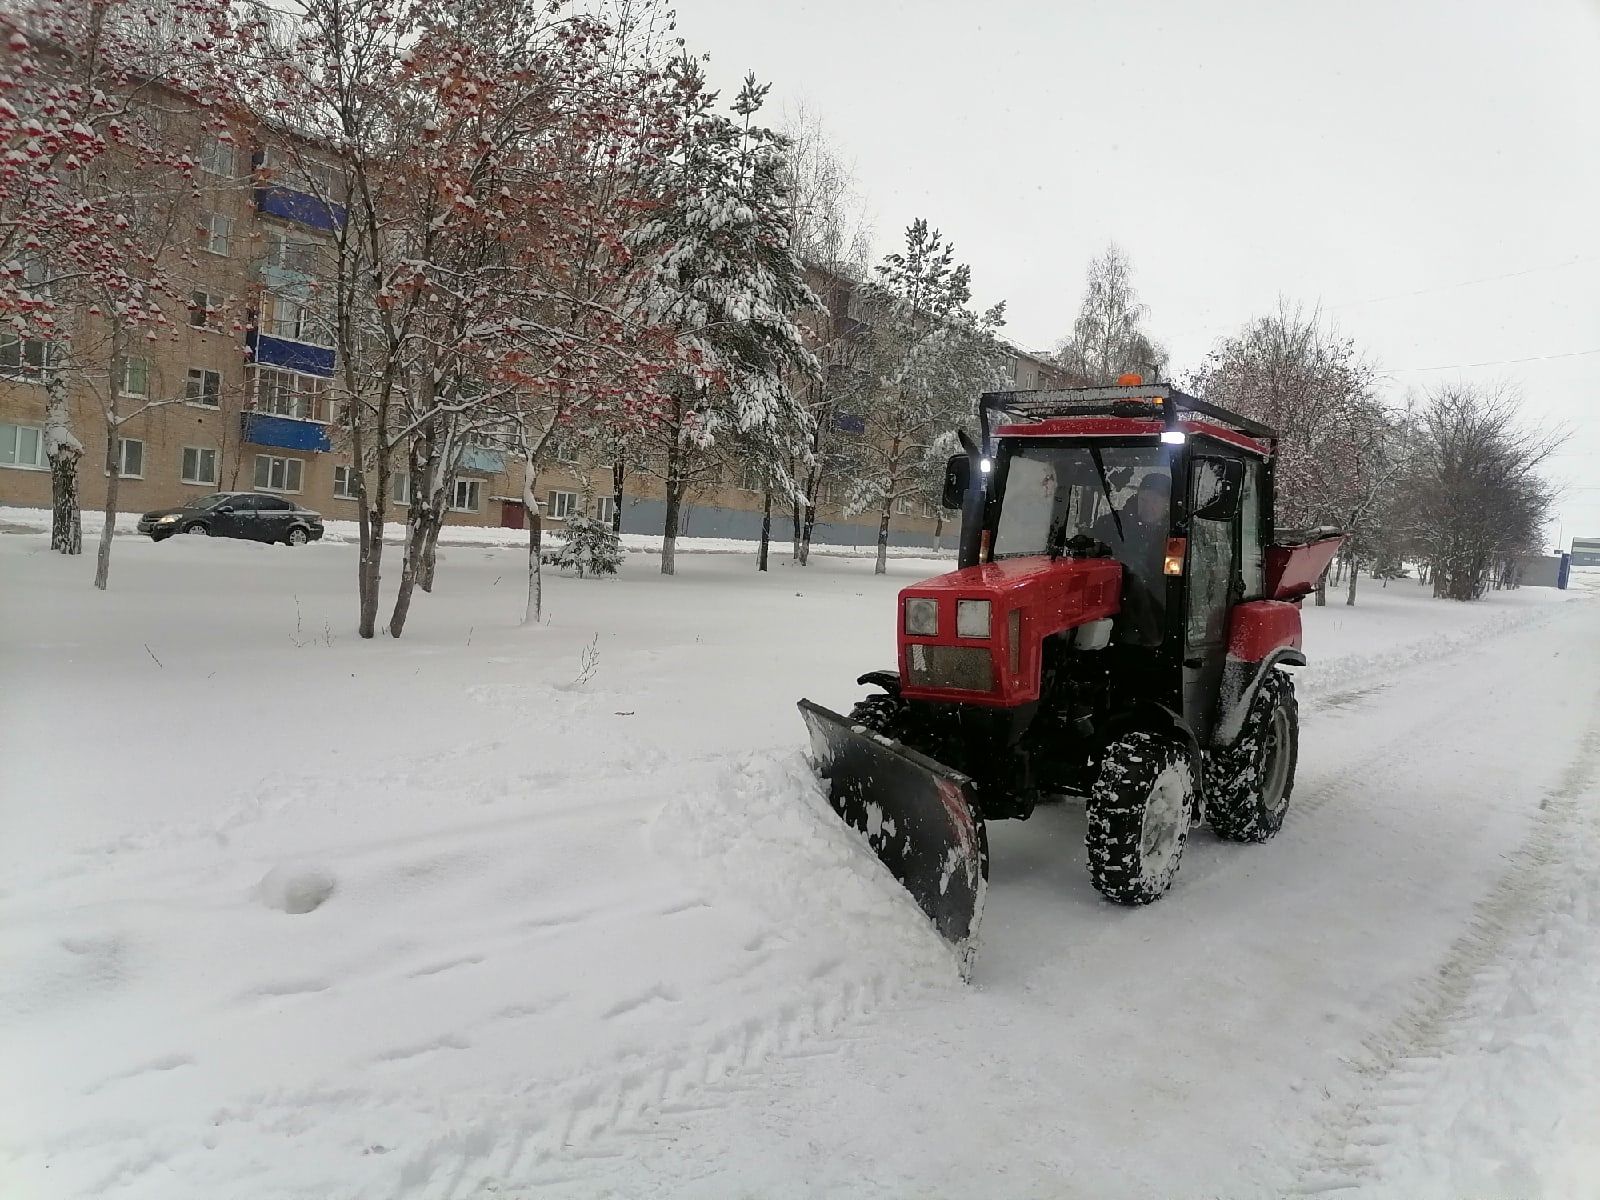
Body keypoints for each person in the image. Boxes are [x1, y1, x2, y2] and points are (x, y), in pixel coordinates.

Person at [1094, 472, 1171, 646]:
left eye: (1155, 501)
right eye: (1144, 500)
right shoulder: (1112, 525)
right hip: (1117, 598)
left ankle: (1154, 640)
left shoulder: (1176, 533)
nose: (1147, 506)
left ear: (1167, 504)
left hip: (1161, 602)